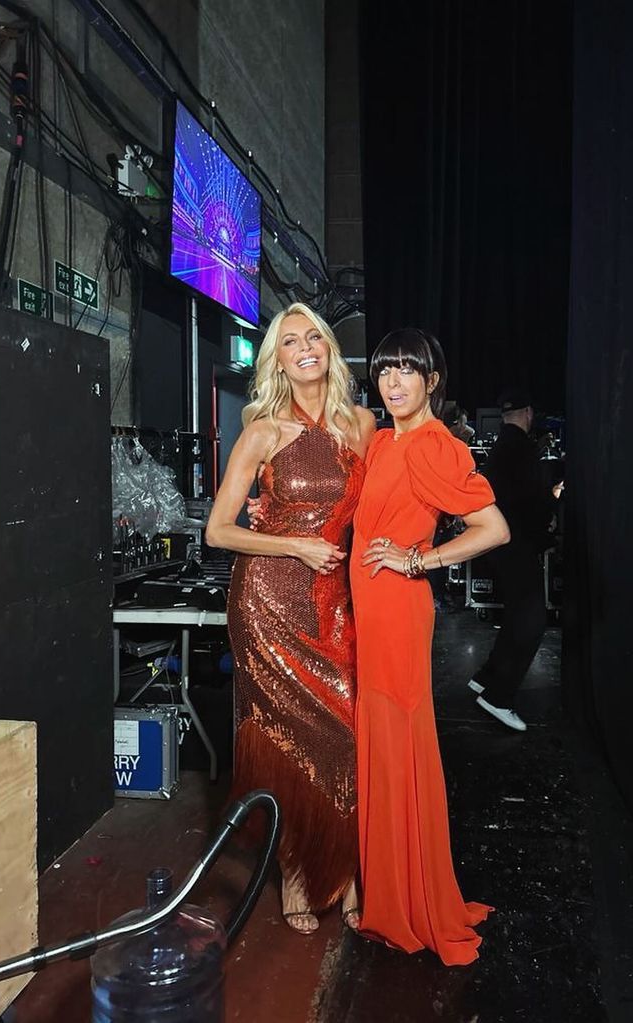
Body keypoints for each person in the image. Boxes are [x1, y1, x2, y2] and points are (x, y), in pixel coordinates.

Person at [205, 303, 376, 934]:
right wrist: (295, 546)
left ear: (329, 350)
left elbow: (380, 509)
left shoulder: (361, 425)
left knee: (346, 740)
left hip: (336, 607)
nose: (305, 348)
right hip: (270, 602)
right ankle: (301, 876)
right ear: (276, 358)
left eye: (314, 339)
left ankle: (348, 869)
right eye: (289, 342)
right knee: (289, 747)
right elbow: (219, 531)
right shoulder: (263, 431)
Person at [350, 328, 510, 966]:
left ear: (432, 381)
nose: (393, 383)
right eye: (386, 370)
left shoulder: (432, 447)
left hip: (396, 610)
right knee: (385, 746)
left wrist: (423, 560)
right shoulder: (385, 439)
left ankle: (404, 901)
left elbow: (493, 528)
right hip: (370, 608)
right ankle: (391, 887)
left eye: (407, 372)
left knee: (396, 743)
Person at [468, 388, 562, 731]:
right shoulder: (522, 449)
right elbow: (534, 502)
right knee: (532, 620)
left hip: (501, 546)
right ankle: (499, 696)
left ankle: (486, 678)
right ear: (529, 413)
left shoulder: (502, 447)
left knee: (517, 616)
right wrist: (552, 503)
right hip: (516, 545)